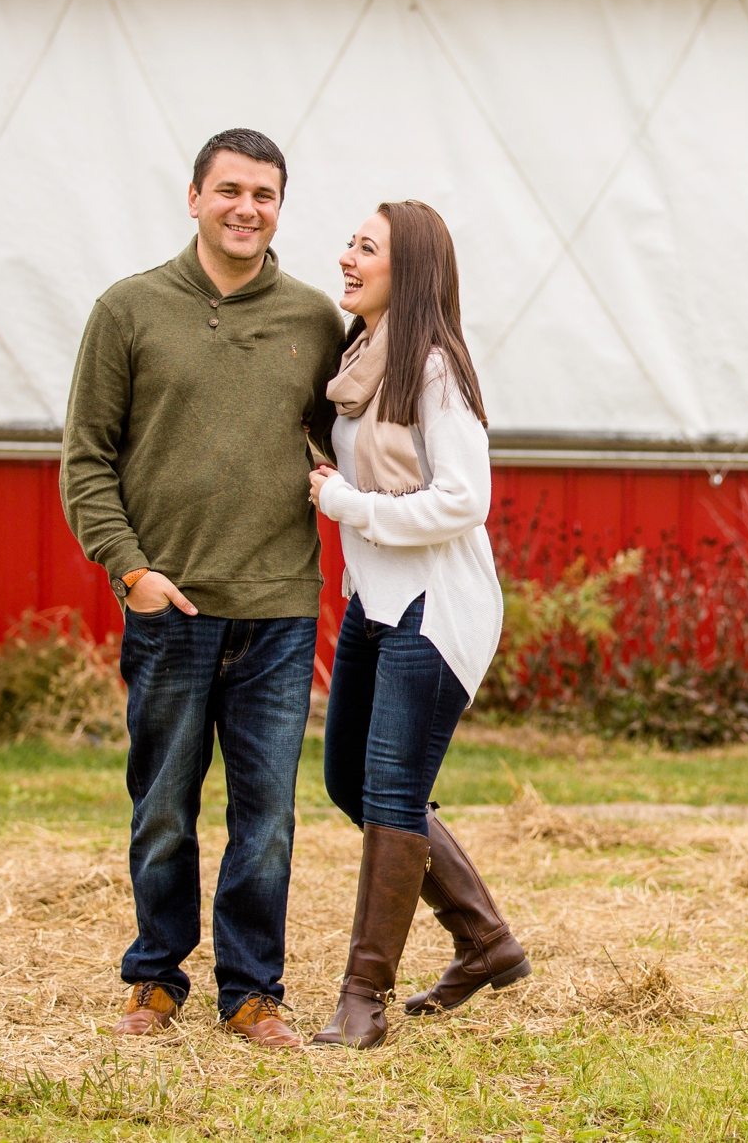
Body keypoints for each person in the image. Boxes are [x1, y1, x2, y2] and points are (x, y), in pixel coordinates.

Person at [60, 128, 347, 1049]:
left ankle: (252, 992)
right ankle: (155, 980)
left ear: (278, 208)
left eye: (264, 195)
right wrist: (133, 573)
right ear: (193, 198)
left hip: (278, 609)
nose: (246, 209)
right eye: (229, 190)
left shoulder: (312, 320)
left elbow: (345, 442)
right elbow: (86, 461)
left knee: (265, 817)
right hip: (169, 608)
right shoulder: (130, 310)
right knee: (163, 811)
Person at [306, 200, 525, 1050]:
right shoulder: (363, 355)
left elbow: (465, 498)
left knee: (391, 794)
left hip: (439, 609)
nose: (349, 258)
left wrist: (347, 502)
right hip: (379, 603)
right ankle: (485, 941)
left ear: (413, 270)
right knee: (344, 783)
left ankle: (363, 1000)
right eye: (351, 243)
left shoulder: (432, 366)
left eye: (369, 248)